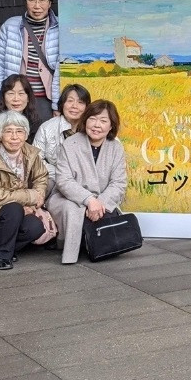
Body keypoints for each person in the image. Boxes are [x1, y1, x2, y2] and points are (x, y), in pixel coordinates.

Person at [47, 100, 127, 264]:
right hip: (67, 198)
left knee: (107, 224)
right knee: (75, 209)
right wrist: (89, 200)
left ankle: (88, 243)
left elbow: (118, 183)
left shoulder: (115, 147)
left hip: (101, 201)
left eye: (103, 121)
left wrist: (99, 202)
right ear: (86, 120)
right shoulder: (70, 144)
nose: (97, 125)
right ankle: (72, 250)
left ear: (111, 126)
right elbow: (64, 181)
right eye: (93, 119)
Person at [0, 110, 49, 269]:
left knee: (35, 227)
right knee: (13, 209)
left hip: (16, 208)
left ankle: (1, 247)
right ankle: (1, 255)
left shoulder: (30, 153)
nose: (14, 137)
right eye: (8, 131)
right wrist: (30, 197)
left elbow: (41, 177)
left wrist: (38, 196)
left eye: (19, 131)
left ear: (26, 135)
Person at [0, 0, 59, 123]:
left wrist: (57, 104)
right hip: (15, 98)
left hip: (44, 99)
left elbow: (61, 68)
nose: (37, 5)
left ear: (50, 2)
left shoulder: (59, 28)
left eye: (42, 0)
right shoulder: (10, 26)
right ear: (25, 1)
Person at [32, 83, 90, 185]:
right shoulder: (47, 127)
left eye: (80, 102)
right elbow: (36, 160)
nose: (74, 106)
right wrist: (61, 175)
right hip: (55, 179)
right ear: (62, 104)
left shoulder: (93, 128)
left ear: (87, 107)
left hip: (87, 182)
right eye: (70, 101)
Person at [0, 74, 42, 152]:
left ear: (28, 98)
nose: (16, 99)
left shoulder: (34, 121)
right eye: (11, 93)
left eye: (21, 93)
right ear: (3, 97)